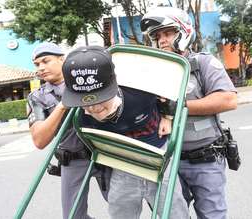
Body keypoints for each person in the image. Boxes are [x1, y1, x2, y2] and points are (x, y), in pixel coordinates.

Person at [61, 45, 189, 219]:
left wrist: (168, 116)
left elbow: (172, 94)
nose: (93, 107)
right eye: (83, 101)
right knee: (119, 210)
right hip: (122, 163)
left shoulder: (140, 90)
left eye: (99, 97)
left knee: (175, 210)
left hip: (159, 158)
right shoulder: (80, 116)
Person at [140, 7, 238, 219]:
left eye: (167, 33)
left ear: (183, 32)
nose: (162, 40)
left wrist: (180, 107)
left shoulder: (203, 63)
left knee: (212, 216)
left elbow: (228, 99)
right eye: (157, 36)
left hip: (205, 160)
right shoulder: (151, 72)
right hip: (166, 162)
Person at [26, 42, 111, 219]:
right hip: (73, 160)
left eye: (45, 61)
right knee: (73, 216)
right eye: (37, 64)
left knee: (123, 208)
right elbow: (39, 141)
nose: (41, 67)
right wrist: (63, 105)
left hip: (106, 154)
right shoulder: (37, 97)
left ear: (63, 60)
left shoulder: (89, 81)